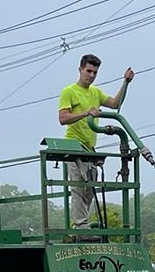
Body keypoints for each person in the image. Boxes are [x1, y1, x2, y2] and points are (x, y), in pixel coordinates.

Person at [57, 53, 134, 228]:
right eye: (89, 71)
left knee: (90, 188)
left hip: (90, 148)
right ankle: (81, 226)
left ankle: (82, 224)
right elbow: (62, 118)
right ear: (80, 69)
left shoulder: (95, 92)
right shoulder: (69, 91)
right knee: (78, 186)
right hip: (73, 145)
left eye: (95, 73)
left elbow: (115, 104)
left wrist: (125, 83)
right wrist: (85, 113)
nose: (91, 75)